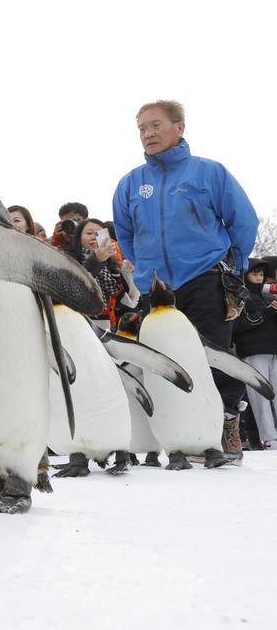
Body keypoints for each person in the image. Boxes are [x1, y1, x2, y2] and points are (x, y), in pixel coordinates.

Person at [113, 99, 258, 462]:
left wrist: (233, 269)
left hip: (205, 278)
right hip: (156, 288)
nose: (148, 133)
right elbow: (127, 235)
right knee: (163, 359)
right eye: (142, 128)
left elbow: (244, 223)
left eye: (156, 125)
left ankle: (226, 426)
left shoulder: (209, 173)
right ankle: (174, 435)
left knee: (214, 355)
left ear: (179, 127)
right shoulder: (131, 183)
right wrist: (145, 269)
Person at [233, 258, 277, 450]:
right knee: (260, 398)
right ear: (246, 275)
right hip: (252, 352)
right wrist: (266, 314)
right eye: (255, 274)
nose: (259, 278)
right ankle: (269, 439)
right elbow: (237, 326)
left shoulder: (269, 299)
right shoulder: (240, 298)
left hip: (274, 351)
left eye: (261, 275)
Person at [64, 219, 127, 326]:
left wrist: (128, 273)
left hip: (106, 323)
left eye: (99, 234)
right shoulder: (67, 257)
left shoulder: (112, 263)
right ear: (78, 238)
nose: (94, 236)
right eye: (89, 233)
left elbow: (125, 300)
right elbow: (74, 283)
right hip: (77, 321)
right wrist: (97, 259)